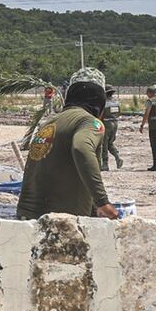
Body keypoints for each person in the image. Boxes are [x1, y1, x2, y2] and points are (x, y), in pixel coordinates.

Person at [16, 77, 118, 220]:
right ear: (99, 106)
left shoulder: (49, 123)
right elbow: (81, 148)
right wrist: (102, 202)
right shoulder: (90, 122)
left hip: (27, 217)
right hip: (61, 223)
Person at [100, 85, 123, 170]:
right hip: (115, 123)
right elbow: (120, 113)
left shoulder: (104, 103)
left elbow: (101, 115)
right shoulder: (116, 102)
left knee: (104, 144)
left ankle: (105, 164)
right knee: (110, 143)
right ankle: (117, 157)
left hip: (106, 124)